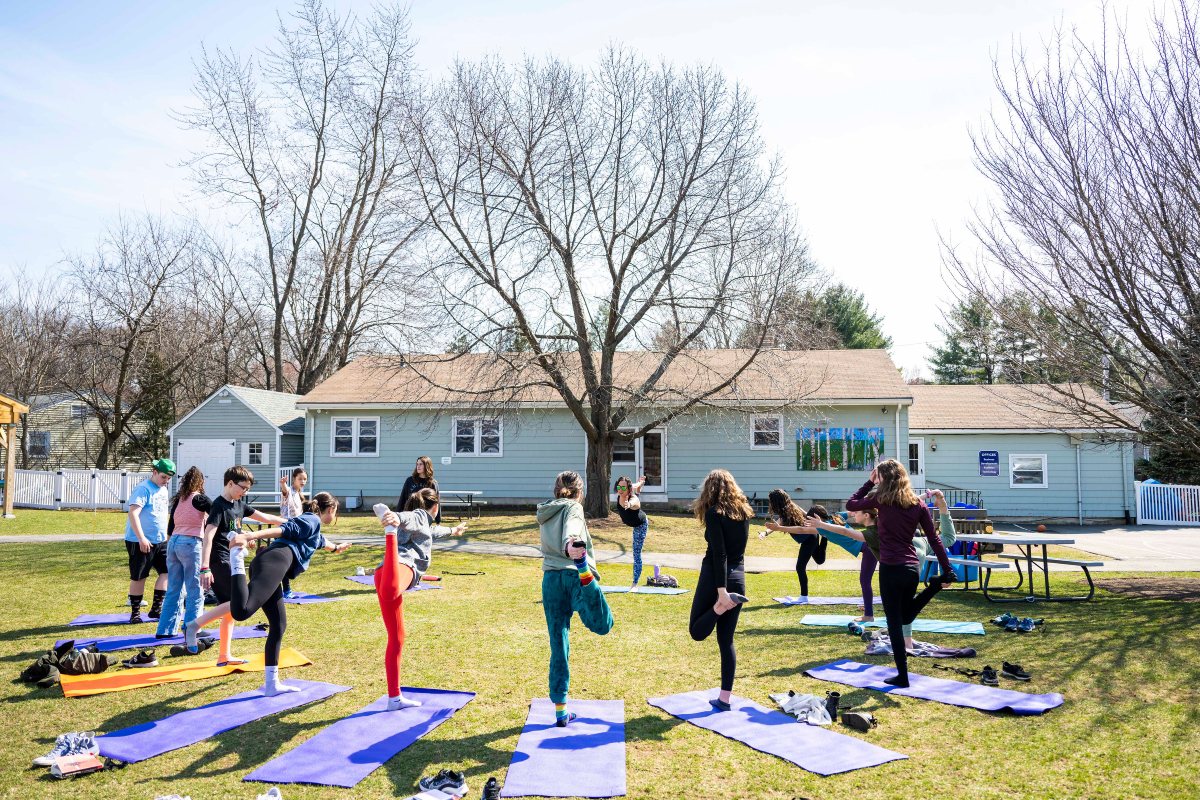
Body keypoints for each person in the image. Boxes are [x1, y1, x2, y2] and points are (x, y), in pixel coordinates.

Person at [221, 492, 350, 695]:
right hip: (274, 562)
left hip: (272, 564)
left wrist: (336, 549)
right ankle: (237, 558)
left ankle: (272, 684)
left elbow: (321, 541)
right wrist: (249, 536)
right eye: (335, 512)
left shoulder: (313, 528)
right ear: (331, 509)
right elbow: (286, 528)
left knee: (279, 625)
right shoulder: (312, 519)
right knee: (242, 611)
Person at [844, 459, 955, 688]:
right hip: (912, 568)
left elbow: (851, 503)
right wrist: (947, 569)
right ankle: (933, 586)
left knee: (896, 623)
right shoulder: (917, 504)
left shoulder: (880, 501)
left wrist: (869, 482)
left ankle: (902, 676)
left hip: (891, 568)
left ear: (883, 479)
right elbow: (934, 538)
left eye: (879, 477)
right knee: (904, 617)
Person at [181, 466, 286, 661]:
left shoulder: (239, 505)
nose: (245, 492)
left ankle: (224, 655)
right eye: (243, 488)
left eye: (247, 489)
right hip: (219, 559)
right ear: (230, 483)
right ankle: (194, 625)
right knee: (239, 603)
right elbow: (208, 537)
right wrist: (204, 567)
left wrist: (290, 523)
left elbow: (266, 518)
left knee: (229, 609)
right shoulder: (218, 506)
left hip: (231, 559)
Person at [537, 470, 614, 726]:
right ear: (580, 492)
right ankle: (584, 571)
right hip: (572, 575)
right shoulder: (573, 507)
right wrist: (572, 545)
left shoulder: (546, 510)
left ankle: (561, 711)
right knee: (603, 624)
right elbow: (571, 528)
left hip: (551, 581)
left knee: (559, 643)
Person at [371, 488, 442, 710]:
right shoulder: (419, 515)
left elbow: (432, 531)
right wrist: (395, 519)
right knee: (392, 592)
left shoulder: (421, 525)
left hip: (383, 572)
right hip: (399, 570)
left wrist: (455, 530)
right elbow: (412, 517)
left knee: (397, 637)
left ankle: (394, 698)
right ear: (435, 507)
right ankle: (388, 534)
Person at [688, 469, 752, 712]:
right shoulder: (744, 512)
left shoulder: (715, 513)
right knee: (726, 640)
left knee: (697, 631)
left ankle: (718, 607)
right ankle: (724, 700)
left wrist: (721, 592)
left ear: (710, 489)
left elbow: (719, 553)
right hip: (739, 578)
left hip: (717, 578)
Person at [155, 466, 207, 639]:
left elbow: (170, 525)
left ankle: (165, 629)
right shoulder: (200, 499)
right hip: (191, 543)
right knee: (195, 589)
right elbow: (218, 515)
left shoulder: (179, 500)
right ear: (201, 482)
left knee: (174, 589)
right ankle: (192, 628)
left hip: (173, 543)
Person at [124, 458, 175, 624]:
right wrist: (141, 538)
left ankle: (156, 610)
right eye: (163, 477)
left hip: (160, 540)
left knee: (167, 571)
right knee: (140, 576)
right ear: (154, 472)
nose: (166, 481)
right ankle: (135, 613)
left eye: (168, 478)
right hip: (139, 541)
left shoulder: (163, 490)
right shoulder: (143, 489)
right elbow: (133, 514)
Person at [278, 467, 309, 599]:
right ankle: (286, 590)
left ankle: (285, 588)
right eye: (300, 479)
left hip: (296, 531)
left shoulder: (299, 494)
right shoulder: (290, 491)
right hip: (286, 530)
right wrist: (283, 484)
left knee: (291, 561)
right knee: (285, 562)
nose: (302, 481)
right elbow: (285, 491)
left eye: (305, 479)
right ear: (294, 479)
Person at [614, 474, 649, 589]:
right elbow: (634, 485)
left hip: (640, 525)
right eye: (619, 487)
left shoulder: (633, 499)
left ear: (628, 488)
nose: (620, 490)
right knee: (638, 487)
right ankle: (642, 484)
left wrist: (628, 504)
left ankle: (634, 583)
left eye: (623, 488)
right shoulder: (625, 489)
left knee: (636, 553)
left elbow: (635, 502)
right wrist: (640, 483)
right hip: (633, 523)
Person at [397, 456, 441, 524]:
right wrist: (397, 515)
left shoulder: (433, 483)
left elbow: (436, 502)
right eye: (417, 464)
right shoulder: (410, 480)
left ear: (427, 465)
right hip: (410, 515)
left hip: (425, 517)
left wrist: (438, 520)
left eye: (421, 464)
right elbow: (403, 498)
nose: (418, 466)